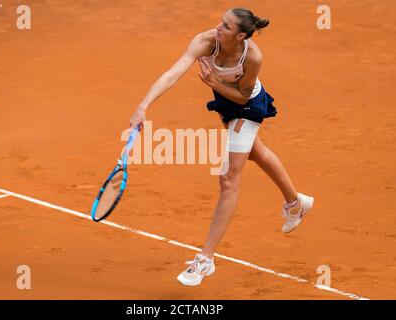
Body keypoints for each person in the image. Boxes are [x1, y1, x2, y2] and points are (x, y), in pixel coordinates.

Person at [129, 7, 314, 287]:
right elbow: (173, 73)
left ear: (241, 36)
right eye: (221, 22)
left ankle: (206, 259)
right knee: (256, 152)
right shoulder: (205, 42)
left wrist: (213, 81)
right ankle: (296, 203)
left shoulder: (252, 56)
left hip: (248, 105)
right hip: (227, 102)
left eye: (226, 27)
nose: (218, 28)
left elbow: (241, 98)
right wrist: (143, 106)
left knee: (228, 179)